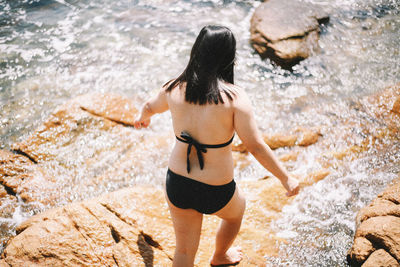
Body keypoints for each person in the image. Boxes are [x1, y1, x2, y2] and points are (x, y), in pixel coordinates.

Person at [134, 25, 300, 267]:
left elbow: (149, 106)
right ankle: (220, 255)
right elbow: (254, 146)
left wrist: (142, 117)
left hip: (178, 181)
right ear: (228, 57)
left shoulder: (174, 87)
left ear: (197, 51)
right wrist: (286, 178)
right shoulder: (234, 98)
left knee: (183, 252)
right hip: (216, 189)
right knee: (236, 212)